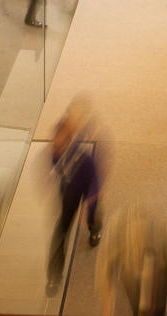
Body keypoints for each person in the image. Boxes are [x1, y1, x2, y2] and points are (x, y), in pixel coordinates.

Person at [47, 101, 104, 295]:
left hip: (87, 190)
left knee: (92, 216)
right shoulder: (57, 145)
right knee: (61, 231)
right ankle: (54, 276)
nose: (55, 145)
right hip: (69, 193)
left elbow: (95, 180)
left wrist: (88, 202)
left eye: (59, 143)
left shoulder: (85, 154)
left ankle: (95, 230)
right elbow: (55, 165)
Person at [95, 203, 167, 316]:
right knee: (140, 301)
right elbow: (107, 265)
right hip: (134, 278)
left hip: (154, 275)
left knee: (156, 303)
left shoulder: (157, 236)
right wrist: (108, 298)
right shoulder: (118, 238)